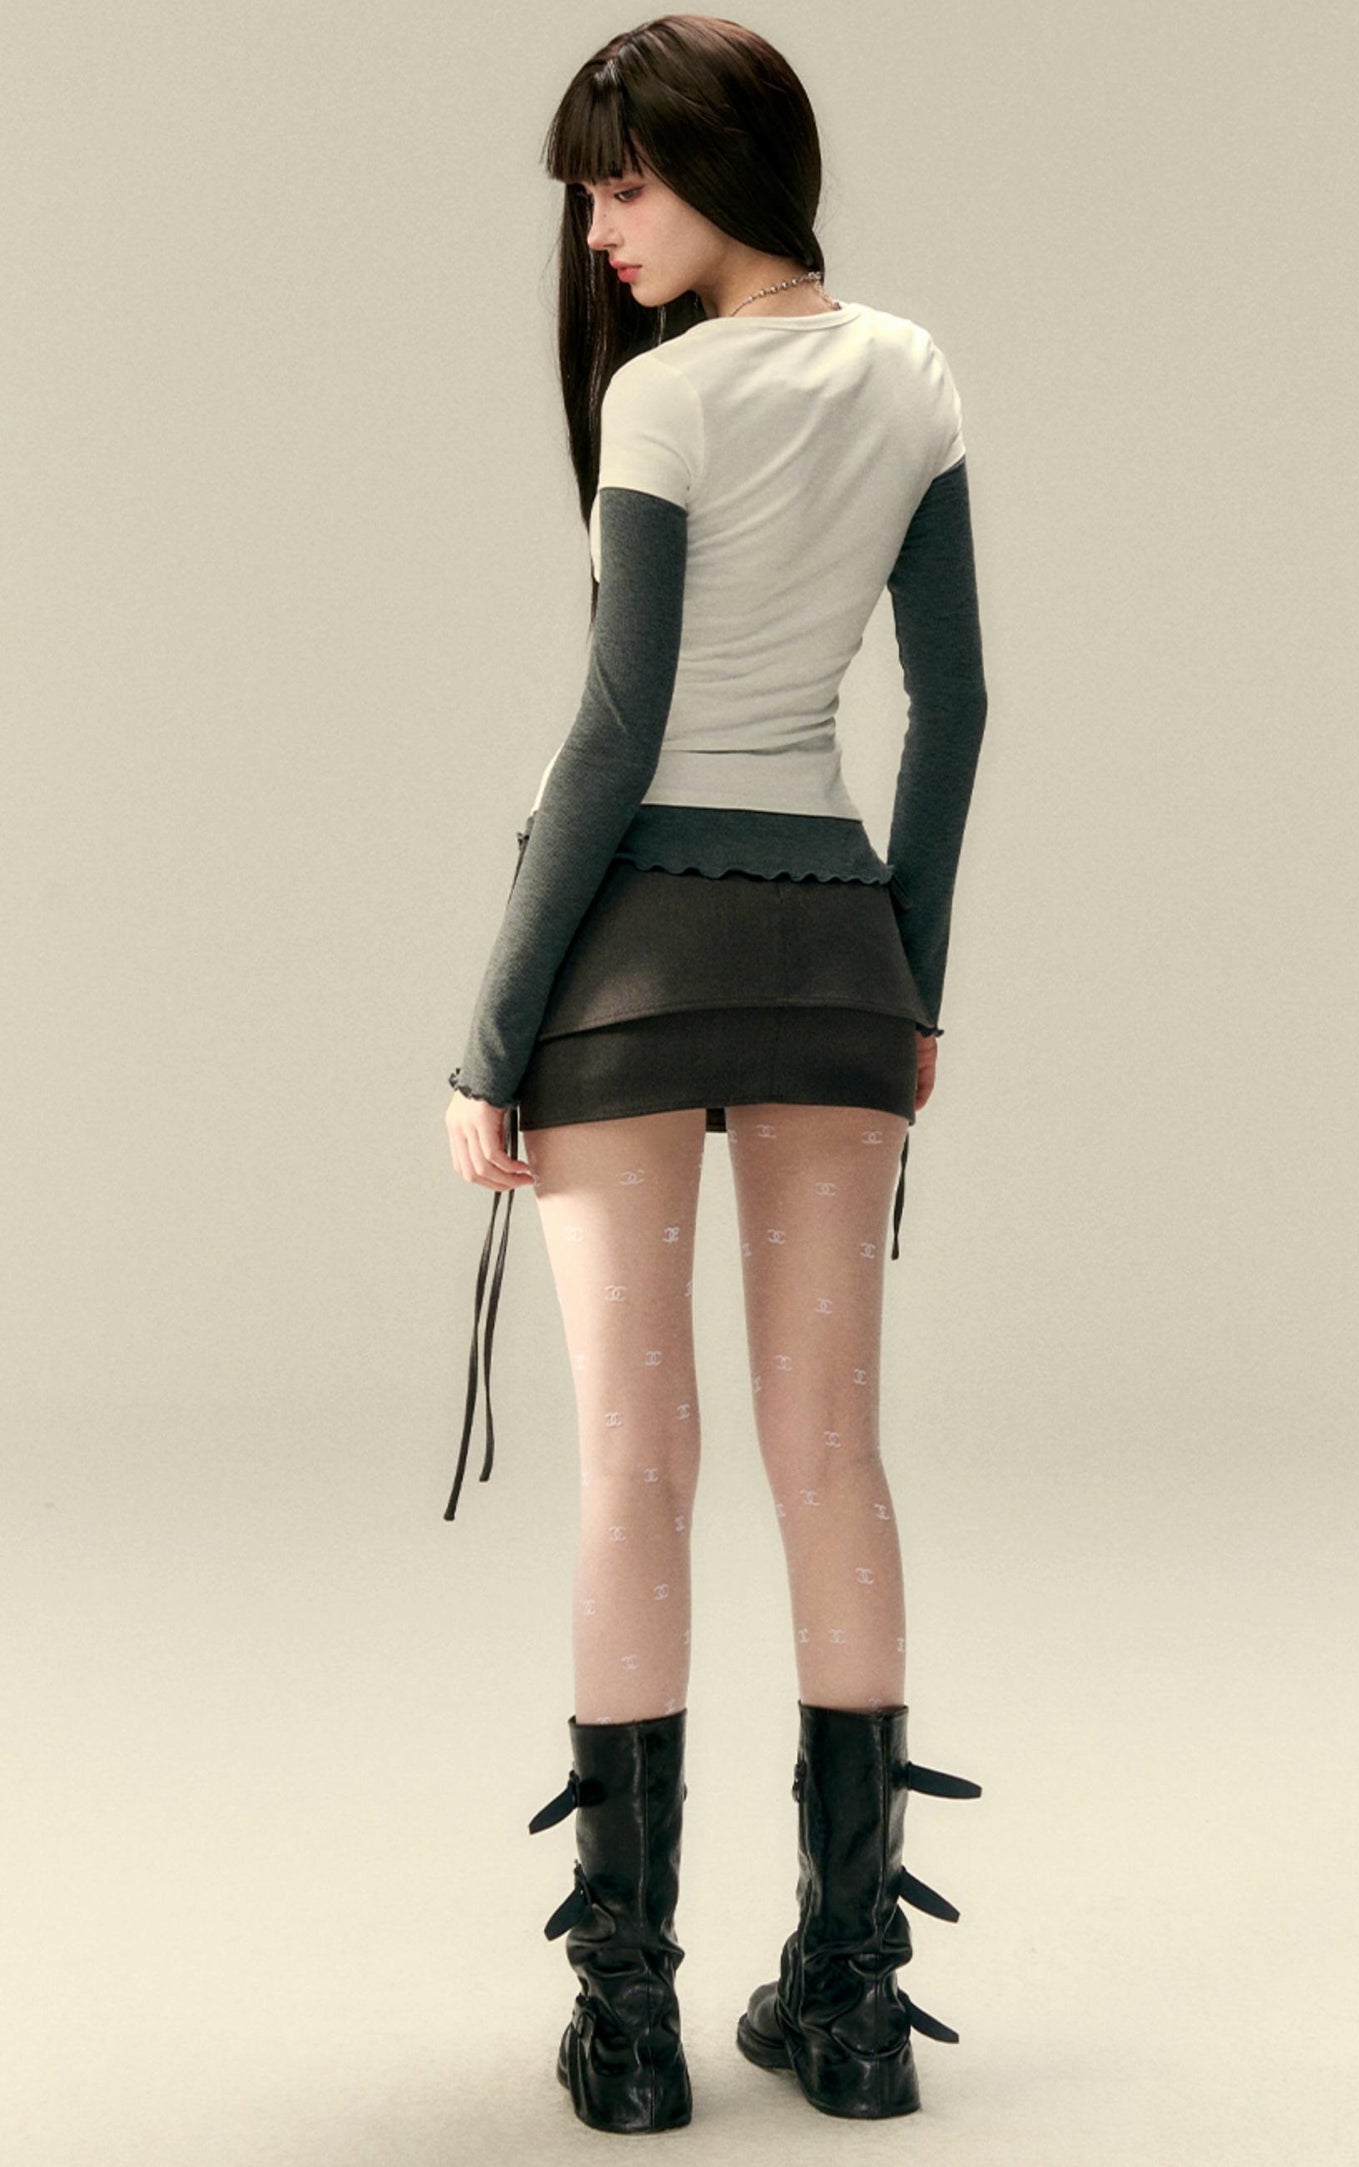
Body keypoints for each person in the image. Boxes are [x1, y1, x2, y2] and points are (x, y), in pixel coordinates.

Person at [443, 14, 987, 2135]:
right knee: (832, 1452)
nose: (600, 233)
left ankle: (627, 2021)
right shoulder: (915, 372)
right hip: (836, 953)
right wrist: (908, 974)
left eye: (622, 186)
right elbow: (951, 707)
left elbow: (615, 729)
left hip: (634, 970)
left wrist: (492, 1030)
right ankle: (853, 2006)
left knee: (633, 1470)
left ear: (721, 168)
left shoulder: (663, 398)